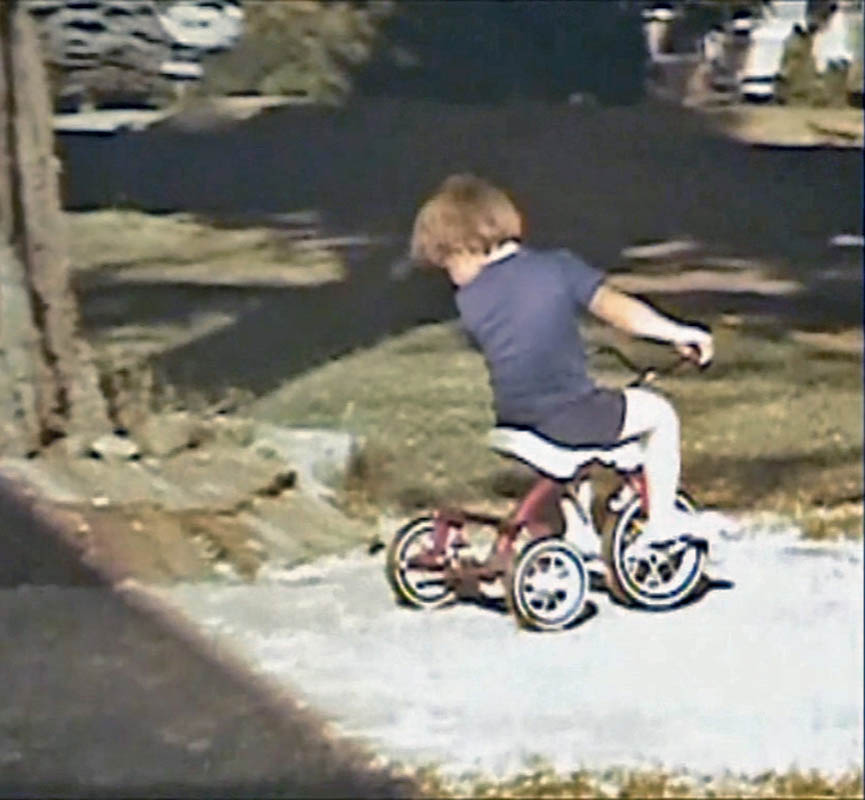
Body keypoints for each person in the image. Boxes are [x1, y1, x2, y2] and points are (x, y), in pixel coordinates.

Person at [408, 174, 714, 564]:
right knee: (659, 415)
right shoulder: (556, 269)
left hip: (517, 417)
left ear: (472, 243)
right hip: (568, 415)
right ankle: (663, 522)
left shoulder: (472, 299)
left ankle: (578, 530)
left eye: (448, 259)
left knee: (582, 444)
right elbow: (618, 310)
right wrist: (676, 333)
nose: (450, 273)